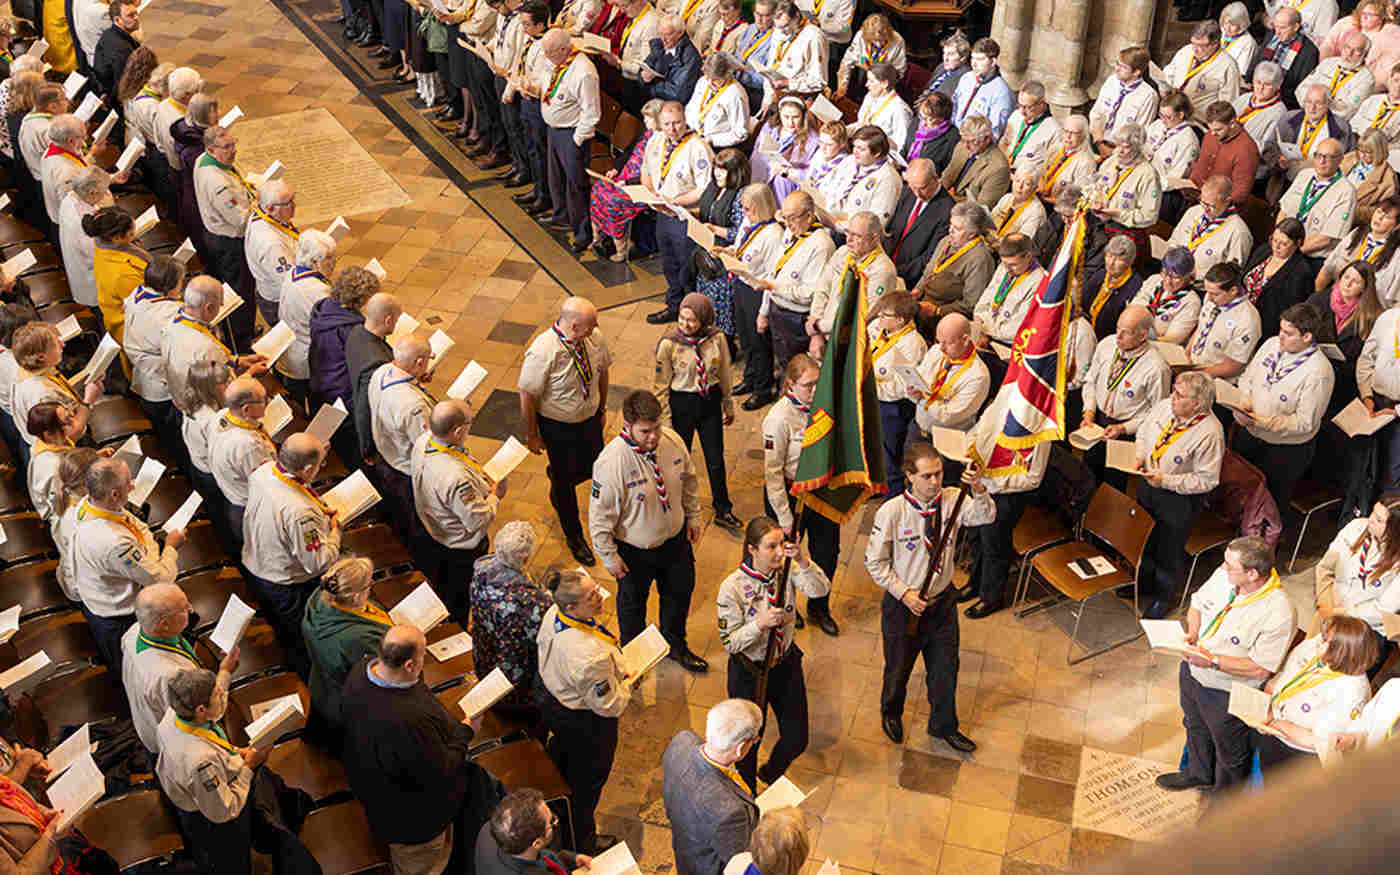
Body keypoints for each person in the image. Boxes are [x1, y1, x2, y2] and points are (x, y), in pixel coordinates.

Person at [867, 441, 994, 752]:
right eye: (927, 476)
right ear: (909, 475)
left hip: (942, 602)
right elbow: (875, 563)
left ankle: (943, 725)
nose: (935, 482)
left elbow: (986, 516)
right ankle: (891, 712)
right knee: (898, 667)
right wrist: (905, 593)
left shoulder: (952, 499)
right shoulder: (892, 512)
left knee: (945, 668)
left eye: (938, 474)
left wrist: (977, 487)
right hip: (903, 607)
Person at [341, 625, 492, 872]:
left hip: (374, 784)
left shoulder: (361, 671)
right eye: (423, 654)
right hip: (413, 822)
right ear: (409, 665)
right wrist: (467, 732)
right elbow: (441, 770)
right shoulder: (407, 721)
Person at [1155, 536, 1297, 792]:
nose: (1223, 568)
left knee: (1229, 749)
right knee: (1194, 724)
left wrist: (1213, 662)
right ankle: (1198, 773)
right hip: (1192, 669)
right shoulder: (1225, 575)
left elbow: (1260, 667)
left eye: (1231, 566)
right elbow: (1197, 604)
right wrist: (1193, 633)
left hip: (1227, 690)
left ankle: (1225, 804)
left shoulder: (1279, 612)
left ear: (1253, 574)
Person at [155, 668, 320, 875]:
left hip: (205, 790)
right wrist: (250, 766)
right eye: (216, 694)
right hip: (214, 819)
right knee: (233, 865)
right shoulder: (201, 762)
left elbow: (208, 740)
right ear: (200, 710)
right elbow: (224, 810)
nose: (222, 695)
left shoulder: (174, 716)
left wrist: (232, 752)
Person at [589, 390, 708, 671]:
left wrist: (693, 517)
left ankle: (675, 645)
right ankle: (634, 662)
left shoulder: (672, 441)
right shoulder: (611, 463)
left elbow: (689, 482)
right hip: (634, 552)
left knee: (679, 596)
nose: (654, 437)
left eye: (657, 427)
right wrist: (608, 556)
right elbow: (599, 517)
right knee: (632, 610)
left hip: (675, 543)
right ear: (628, 425)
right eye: (645, 431)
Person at [718, 516, 828, 787]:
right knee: (747, 746)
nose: (780, 552)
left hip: (784, 664)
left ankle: (770, 773)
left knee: (797, 737)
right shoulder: (731, 588)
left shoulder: (787, 570)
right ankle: (748, 797)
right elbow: (729, 642)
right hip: (749, 672)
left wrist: (802, 560)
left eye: (782, 544)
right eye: (771, 546)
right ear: (752, 549)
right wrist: (759, 624)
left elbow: (820, 589)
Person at [534, 567, 629, 854]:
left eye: (596, 589)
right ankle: (582, 843)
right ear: (572, 606)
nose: (600, 597)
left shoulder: (556, 612)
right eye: (591, 597)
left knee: (565, 765)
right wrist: (628, 686)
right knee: (587, 784)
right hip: (584, 722)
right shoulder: (588, 657)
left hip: (554, 697)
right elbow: (610, 705)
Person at [520, 296, 610, 565]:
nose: (595, 329)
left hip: (589, 419)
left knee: (595, 469)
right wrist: (532, 434)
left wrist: (602, 408)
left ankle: (559, 481)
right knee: (565, 483)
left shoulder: (594, 339)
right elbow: (527, 394)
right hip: (557, 426)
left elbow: (603, 371)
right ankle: (574, 536)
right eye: (590, 326)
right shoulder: (543, 350)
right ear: (573, 325)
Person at [72, 458, 185, 671]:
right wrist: (170, 548)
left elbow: (138, 527)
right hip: (120, 618)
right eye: (128, 483)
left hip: (102, 596)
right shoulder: (114, 542)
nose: (133, 485)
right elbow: (160, 578)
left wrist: (150, 555)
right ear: (114, 495)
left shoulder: (89, 504)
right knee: (132, 668)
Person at [242, 434, 342, 669]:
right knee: (299, 638)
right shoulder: (299, 512)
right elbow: (317, 563)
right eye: (320, 465)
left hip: (257, 559)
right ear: (307, 469)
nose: (320, 469)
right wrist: (336, 531)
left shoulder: (264, 471)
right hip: (287, 583)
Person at [1132, 372, 1226, 618]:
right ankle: (1142, 584)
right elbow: (1143, 432)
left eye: (1179, 395)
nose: (1172, 397)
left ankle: (1163, 597)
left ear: (1197, 404)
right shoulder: (1165, 407)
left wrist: (1167, 480)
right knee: (1145, 538)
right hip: (1148, 482)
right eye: (1174, 390)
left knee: (1169, 549)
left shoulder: (1210, 433)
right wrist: (1141, 456)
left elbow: (1207, 479)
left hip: (1178, 499)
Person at [760, 356, 840, 633]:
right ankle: (786, 606)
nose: (815, 391)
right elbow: (772, 473)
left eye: (818, 383)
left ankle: (819, 607)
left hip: (820, 490)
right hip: (790, 492)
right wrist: (784, 516)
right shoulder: (778, 419)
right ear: (791, 384)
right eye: (808, 385)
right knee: (783, 557)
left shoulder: (823, 407)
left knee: (827, 551)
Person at [1233, 302, 1335, 514]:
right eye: (1281, 330)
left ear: (1307, 337)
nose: (1280, 336)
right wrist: (1242, 402)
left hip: (1283, 451)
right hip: (1249, 433)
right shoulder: (1271, 344)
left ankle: (1265, 544)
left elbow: (1305, 422)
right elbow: (1247, 378)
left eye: (1288, 333)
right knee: (1237, 494)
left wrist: (1266, 422)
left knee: (1269, 505)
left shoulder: (1319, 372)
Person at [653, 293, 739, 531]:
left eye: (691, 320)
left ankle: (723, 508)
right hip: (682, 404)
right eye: (682, 318)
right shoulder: (669, 343)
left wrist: (728, 403)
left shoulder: (716, 338)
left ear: (704, 320)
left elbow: (724, 372)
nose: (685, 325)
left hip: (709, 401)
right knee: (679, 459)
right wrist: (666, 421)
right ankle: (678, 507)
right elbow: (660, 385)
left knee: (715, 458)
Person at [412, 399, 503, 618]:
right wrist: (495, 497)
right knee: (460, 595)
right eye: (470, 423)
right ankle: (459, 623)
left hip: (433, 528)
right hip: (460, 547)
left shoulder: (423, 441)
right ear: (458, 430)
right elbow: (476, 521)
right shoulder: (455, 478)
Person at [121, 583, 235, 754]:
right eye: (183, 608)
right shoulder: (172, 676)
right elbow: (206, 714)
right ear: (164, 625)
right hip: (178, 745)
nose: (190, 609)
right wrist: (225, 672)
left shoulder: (133, 632)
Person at [963, 395, 1050, 618]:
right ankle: (975, 583)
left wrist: (996, 483)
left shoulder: (1040, 432)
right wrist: (968, 450)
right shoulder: (997, 408)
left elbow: (1033, 479)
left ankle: (991, 597)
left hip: (1008, 494)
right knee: (974, 535)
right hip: (979, 483)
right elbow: (976, 432)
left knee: (994, 544)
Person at [1253, 615, 1376, 770]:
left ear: (1343, 652)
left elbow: (1322, 741)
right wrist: (1269, 707)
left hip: (1300, 754)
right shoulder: (1312, 647)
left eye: (1325, 640)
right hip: (1273, 730)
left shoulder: (1353, 689)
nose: (1318, 640)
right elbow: (1280, 678)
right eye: (1323, 635)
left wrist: (1280, 726)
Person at [661, 699, 761, 875]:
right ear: (740, 748)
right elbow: (738, 859)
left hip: (686, 849)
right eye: (754, 740)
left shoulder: (682, 740)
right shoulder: (730, 813)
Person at [751, 191, 834, 398]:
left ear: (809, 215)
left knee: (801, 373)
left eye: (792, 217)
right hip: (777, 310)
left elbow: (809, 294)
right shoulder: (792, 233)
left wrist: (773, 287)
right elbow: (774, 272)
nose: (787, 223)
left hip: (797, 320)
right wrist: (764, 310)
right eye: (784, 217)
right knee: (785, 366)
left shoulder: (821, 245)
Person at [470, 521, 549, 728]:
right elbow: (544, 634)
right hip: (514, 677)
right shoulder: (530, 603)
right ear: (525, 557)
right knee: (527, 723)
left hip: (484, 654)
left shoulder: (481, 569)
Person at [1081, 305, 1172, 485]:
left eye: (1127, 332)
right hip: (1096, 423)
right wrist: (1089, 411)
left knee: (1113, 481)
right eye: (1117, 329)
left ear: (1143, 335)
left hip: (1126, 432)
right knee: (1088, 472)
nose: (1118, 337)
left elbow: (1156, 415)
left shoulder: (1157, 368)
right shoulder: (1107, 345)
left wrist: (1124, 428)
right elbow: (1090, 381)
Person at [641, 101, 714, 325]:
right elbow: (646, 170)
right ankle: (674, 306)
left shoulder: (697, 147)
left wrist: (675, 201)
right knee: (669, 263)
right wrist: (650, 193)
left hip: (685, 217)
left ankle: (694, 314)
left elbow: (704, 188)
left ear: (685, 120)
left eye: (677, 123)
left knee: (686, 267)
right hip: (663, 213)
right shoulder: (656, 140)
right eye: (667, 124)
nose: (672, 129)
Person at [301, 556, 389, 739]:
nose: (370, 590)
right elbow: (381, 674)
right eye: (368, 586)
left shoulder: (320, 598)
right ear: (356, 596)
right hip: (348, 706)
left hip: (322, 687)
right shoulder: (358, 639)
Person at [163, 275, 269, 414]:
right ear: (209, 307)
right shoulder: (205, 348)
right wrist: (250, 374)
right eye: (220, 305)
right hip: (208, 408)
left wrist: (237, 361)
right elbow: (228, 391)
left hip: (182, 396)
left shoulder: (172, 324)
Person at [538, 28, 601, 255]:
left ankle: (582, 232)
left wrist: (576, 140)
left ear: (565, 49)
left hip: (572, 134)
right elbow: (547, 86)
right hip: (554, 130)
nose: (546, 56)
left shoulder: (584, 71)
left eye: (550, 52)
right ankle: (561, 215)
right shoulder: (555, 61)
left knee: (577, 186)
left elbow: (592, 112)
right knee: (556, 178)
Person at [368, 335, 435, 540]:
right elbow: (427, 445)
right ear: (419, 363)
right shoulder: (413, 406)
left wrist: (417, 380)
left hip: (386, 455)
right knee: (418, 525)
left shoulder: (381, 372)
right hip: (405, 468)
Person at [193, 125, 255, 346]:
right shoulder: (217, 182)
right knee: (240, 291)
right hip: (229, 242)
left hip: (214, 234)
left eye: (233, 144)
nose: (233, 150)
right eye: (227, 147)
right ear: (211, 149)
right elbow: (239, 219)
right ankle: (240, 339)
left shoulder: (204, 159)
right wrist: (259, 207)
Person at [728, 184, 785, 410]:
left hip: (757, 292)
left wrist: (764, 311)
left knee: (759, 342)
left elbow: (771, 276)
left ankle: (764, 388)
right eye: (743, 207)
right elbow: (742, 248)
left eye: (749, 209)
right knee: (745, 337)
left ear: (761, 208)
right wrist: (728, 252)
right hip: (741, 285)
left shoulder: (774, 234)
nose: (745, 213)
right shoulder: (749, 222)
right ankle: (750, 377)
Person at [1316, 495, 1400, 648]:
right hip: (1330, 607)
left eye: (1379, 520)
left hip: (1364, 627)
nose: (1371, 520)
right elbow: (1325, 568)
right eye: (1373, 512)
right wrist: (1324, 603)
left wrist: (1340, 613)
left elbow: (1380, 611)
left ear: (1395, 529)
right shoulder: (1355, 527)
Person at [809, 211, 899, 353]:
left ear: (874, 238)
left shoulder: (883, 271)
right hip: (822, 330)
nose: (848, 240)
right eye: (847, 232)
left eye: (856, 236)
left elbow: (864, 315)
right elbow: (823, 287)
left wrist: (819, 326)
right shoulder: (843, 252)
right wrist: (815, 322)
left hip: (848, 342)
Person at [123, 255, 186, 452]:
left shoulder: (137, 293)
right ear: (169, 287)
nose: (182, 287)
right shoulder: (168, 313)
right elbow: (181, 348)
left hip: (145, 378)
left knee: (165, 435)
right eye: (180, 283)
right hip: (163, 387)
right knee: (177, 440)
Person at [586, 98, 662, 262]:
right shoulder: (646, 132)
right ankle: (597, 237)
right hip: (625, 176)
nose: (645, 121)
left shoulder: (663, 141)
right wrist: (616, 168)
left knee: (613, 200)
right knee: (598, 189)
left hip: (642, 184)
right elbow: (628, 152)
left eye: (648, 118)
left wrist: (627, 183)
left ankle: (622, 247)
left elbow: (655, 173)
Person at [867, 295, 926, 496]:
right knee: (872, 444)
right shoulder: (880, 328)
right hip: (871, 397)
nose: (879, 318)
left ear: (900, 319)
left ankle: (892, 494)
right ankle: (874, 484)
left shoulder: (912, 345)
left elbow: (903, 386)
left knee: (889, 452)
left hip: (893, 406)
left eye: (885, 315)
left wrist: (870, 386)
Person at [10, 322, 103, 450]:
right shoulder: (42, 395)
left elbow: (60, 391)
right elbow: (67, 437)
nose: (63, 344)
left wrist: (88, 376)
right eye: (55, 343)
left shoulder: (29, 371)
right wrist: (88, 401)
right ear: (41, 356)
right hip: (73, 450)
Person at [908, 312, 991, 448]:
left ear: (965, 340)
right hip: (918, 428)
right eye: (938, 341)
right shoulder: (936, 351)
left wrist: (922, 399)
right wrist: (912, 390)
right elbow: (920, 382)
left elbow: (949, 416)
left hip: (946, 442)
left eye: (948, 343)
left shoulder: (978, 376)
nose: (941, 347)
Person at [208, 376, 276, 540]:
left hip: (233, 494)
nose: (268, 402)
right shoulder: (248, 446)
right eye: (263, 400)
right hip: (251, 508)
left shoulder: (222, 415)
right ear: (246, 409)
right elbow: (270, 484)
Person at [1086, 125, 1162, 265]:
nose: (1119, 151)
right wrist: (1096, 200)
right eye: (1118, 145)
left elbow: (1149, 216)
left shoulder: (1148, 175)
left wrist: (1117, 213)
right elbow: (1095, 186)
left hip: (1124, 234)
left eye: (1126, 147)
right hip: (1099, 224)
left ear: (1138, 148)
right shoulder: (1112, 161)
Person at [277, 230, 336, 410]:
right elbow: (333, 324)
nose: (334, 263)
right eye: (329, 259)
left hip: (292, 347)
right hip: (304, 358)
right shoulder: (315, 290)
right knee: (314, 404)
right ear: (313, 262)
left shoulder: (294, 272)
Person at [913, 201, 996, 328]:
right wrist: (918, 289)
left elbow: (971, 304)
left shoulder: (980, 259)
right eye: (951, 224)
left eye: (957, 228)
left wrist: (937, 311)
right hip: (922, 303)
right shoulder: (946, 241)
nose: (950, 230)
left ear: (972, 234)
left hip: (945, 319)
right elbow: (928, 271)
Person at [310, 266, 376, 417]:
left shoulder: (323, 308)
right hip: (343, 393)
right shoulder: (351, 329)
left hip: (320, 381)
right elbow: (365, 365)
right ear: (361, 300)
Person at [475, 789, 590, 875]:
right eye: (551, 821)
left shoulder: (489, 830)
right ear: (537, 843)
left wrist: (569, 858)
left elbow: (542, 856)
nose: (555, 821)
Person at [348, 291, 402, 466]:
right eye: (396, 320)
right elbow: (365, 408)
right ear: (387, 321)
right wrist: (367, 448)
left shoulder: (356, 332)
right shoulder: (377, 364)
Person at [972, 233, 1047, 353]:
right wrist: (978, 325)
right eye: (1004, 263)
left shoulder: (1040, 281)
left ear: (1028, 256)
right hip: (984, 332)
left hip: (1006, 346)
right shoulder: (1004, 268)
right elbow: (984, 300)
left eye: (1013, 264)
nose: (1007, 269)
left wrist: (985, 331)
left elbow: (1018, 328)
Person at [885, 157, 952, 292]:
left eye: (922, 188)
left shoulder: (947, 210)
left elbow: (929, 257)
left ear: (934, 178)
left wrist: (894, 272)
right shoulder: (907, 192)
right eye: (912, 187)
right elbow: (891, 230)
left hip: (908, 280)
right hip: (886, 265)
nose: (917, 193)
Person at [85, 204, 150, 342]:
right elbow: (145, 307)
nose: (134, 235)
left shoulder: (102, 241)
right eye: (131, 233)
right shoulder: (122, 275)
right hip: (133, 328)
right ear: (116, 238)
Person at [1167, 174, 1254, 277]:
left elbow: (1231, 275)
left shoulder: (1239, 232)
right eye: (1203, 202)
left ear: (1227, 201)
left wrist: (1196, 274)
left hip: (1201, 286)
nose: (1205, 209)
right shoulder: (1194, 211)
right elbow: (1174, 241)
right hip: (1173, 274)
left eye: (1211, 205)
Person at [1318, 195, 1400, 302]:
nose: (1379, 218)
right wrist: (1318, 297)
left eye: (1387, 217)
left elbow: (1393, 299)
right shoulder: (1357, 234)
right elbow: (1327, 270)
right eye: (1379, 212)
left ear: (1397, 225)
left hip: (1366, 310)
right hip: (1335, 298)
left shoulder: (1396, 255)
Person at [245, 178, 300, 331]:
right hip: (279, 302)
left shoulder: (264, 215)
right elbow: (290, 281)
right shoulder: (271, 245)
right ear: (270, 208)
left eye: (293, 198)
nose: (294, 205)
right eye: (288, 203)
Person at [823, 124, 902, 229]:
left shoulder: (888, 180)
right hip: (828, 218)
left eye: (861, 149)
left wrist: (835, 225)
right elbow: (826, 186)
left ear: (877, 152)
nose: (855, 151)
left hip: (851, 234)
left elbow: (876, 224)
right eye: (854, 146)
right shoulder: (850, 160)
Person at [1243, 219, 1312, 339]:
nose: (1276, 247)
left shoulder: (1302, 272)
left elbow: (1292, 312)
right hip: (1242, 315)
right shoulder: (1264, 251)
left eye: (1284, 244)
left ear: (1298, 243)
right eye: (1274, 240)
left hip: (1266, 329)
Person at [1164, 21, 1242, 123]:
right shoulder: (1186, 50)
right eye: (1193, 43)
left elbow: (1226, 105)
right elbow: (1170, 71)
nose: (1195, 49)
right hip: (1171, 112)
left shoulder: (1228, 66)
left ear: (1215, 44)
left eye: (1201, 45)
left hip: (1196, 122)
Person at [1186, 102, 1261, 207]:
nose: (1212, 133)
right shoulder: (1211, 135)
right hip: (1194, 193)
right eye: (1210, 128)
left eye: (1218, 129)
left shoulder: (1247, 150)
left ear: (1232, 123)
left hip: (1216, 206)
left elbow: (1240, 194)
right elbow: (1200, 166)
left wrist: (1207, 200)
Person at [1276, 85, 1352, 185]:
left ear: (1328, 103)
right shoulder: (1288, 118)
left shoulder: (1342, 128)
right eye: (1308, 102)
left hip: (1316, 183)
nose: (1312, 108)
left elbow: (1345, 161)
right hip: (1283, 178)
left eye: (1318, 103)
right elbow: (1270, 147)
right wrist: (1278, 159)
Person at [181, 359, 232, 507]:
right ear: (210, 388)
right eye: (224, 384)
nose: (229, 386)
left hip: (199, 465)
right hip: (211, 474)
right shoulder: (210, 419)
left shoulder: (193, 397)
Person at [1090, 45, 1161, 149]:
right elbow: (1096, 113)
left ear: (1136, 72)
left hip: (1120, 150)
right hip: (1097, 140)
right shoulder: (1112, 81)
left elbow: (1140, 133)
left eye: (1123, 67)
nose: (1117, 69)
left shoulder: (1149, 96)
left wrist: (1116, 151)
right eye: (1117, 64)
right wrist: (1099, 142)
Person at [750, 96, 818, 204]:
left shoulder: (812, 139)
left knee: (780, 180)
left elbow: (811, 173)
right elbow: (757, 152)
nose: (790, 122)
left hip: (788, 180)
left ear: (803, 116)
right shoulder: (770, 127)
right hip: (764, 171)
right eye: (786, 117)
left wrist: (787, 171)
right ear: (780, 114)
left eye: (795, 117)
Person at [1297, 28, 1375, 121]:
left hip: (1333, 124)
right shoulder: (1328, 63)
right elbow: (1301, 89)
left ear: (1365, 54)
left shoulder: (1366, 79)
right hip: (1305, 112)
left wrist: (1316, 103)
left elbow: (1348, 110)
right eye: (1347, 47)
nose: (1349, 53)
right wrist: (1312, 106)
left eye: (1357, 50)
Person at [1132, 246, 1203, 344]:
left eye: (1175, 277)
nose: (1168, 281)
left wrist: (1145, 339)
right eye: (1165, 273)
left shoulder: (1191, 301)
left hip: (1157, 347)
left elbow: (1173, 339)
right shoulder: (1154, 280)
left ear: (1187, 276)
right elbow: (1133, 307)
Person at [939, 114, 1009, 210]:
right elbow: (947, 177)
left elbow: (980, 208)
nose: (966, 146)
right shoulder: (962, 146)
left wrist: (945, 200)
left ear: (987, 139)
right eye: (964, 140)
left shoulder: (999, 168)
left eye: (972, 141)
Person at [1234, 61, 1289, 178]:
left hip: (1250, 168)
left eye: (1267, 84)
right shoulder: (1244, 98)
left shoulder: (1279, 113)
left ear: (1277, 86)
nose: (1261, 88)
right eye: (1258, 82)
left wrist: (1235, 137)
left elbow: (1267, 148)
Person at [835, 12, 906, 103]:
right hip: (863, 72)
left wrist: (882, 89)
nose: (879, 44)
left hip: (884, 78)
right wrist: (842, 87)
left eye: (882, 40)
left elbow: (899, 72)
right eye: (875, 41)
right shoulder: (860, 36)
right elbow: (847, 63)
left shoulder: (898, 41)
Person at [25, 403, 77, 525]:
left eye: (69, 415)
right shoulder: (52, 467)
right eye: (67, 421)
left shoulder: (46, 442)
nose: (73, 422)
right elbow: (61, 506)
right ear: (49, 434)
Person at [951, 37, 1013, 138]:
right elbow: (955, 104)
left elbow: (995, 131)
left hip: (974, 141)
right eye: (972, 58)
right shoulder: (966, 78)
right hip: (953, 133)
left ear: (993, 62)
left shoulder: (1002, 92)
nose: (974, 64)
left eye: (980, 59)